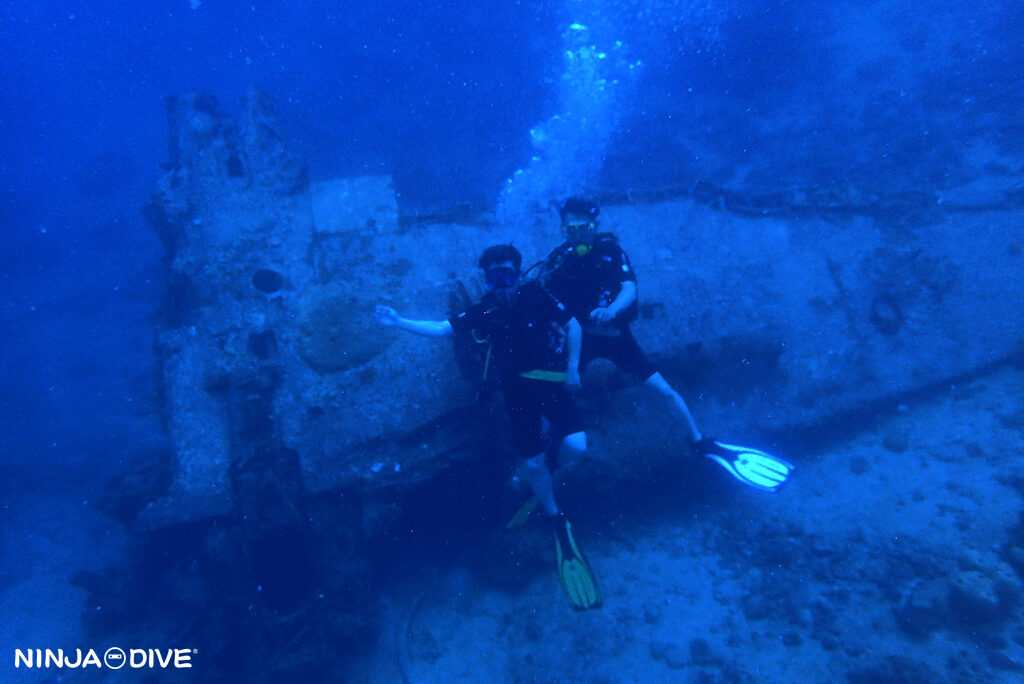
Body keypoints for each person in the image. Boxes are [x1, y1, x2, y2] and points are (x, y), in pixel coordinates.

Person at [375, 244, 600, 610]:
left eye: (507, 273)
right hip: (518, 395)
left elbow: (572, 325)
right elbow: (442, 329)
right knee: (530, 465)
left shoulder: (536, 294)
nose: (501, 282)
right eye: (493, 275)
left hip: (551, 383)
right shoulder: (485, 310)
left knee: (577, 445)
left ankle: (548, 471)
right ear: (486, 278)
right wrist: (399, 321)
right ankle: (555, 516)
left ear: (517, 272)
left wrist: (573, 367)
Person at [539, 198, 793, 491]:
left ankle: (700, 442)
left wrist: (612, 310)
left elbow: (629, 288)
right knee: (553, 392)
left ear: (594, 225)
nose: (578, 234)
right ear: (563, 229)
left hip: (614, 335)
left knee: (664, 391)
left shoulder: (610, 251)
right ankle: (545, 447)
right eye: (571, 228)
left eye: (583, 227)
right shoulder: (558, 259)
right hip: (578, 338)